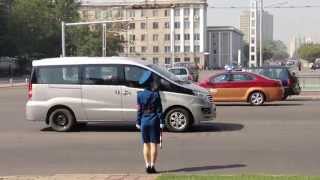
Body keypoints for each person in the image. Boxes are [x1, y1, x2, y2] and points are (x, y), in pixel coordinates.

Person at [136, 71, 164, 174]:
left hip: (144, 120)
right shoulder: (155, 94)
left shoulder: (139, 95)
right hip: (154, 121)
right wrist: (162, 121)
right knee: (153, 145)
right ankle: (152, 166)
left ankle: (147, 165)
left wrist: (138, 121)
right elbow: (159, 110)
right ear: (151, 83)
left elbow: (139, 109)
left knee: (145, 144)